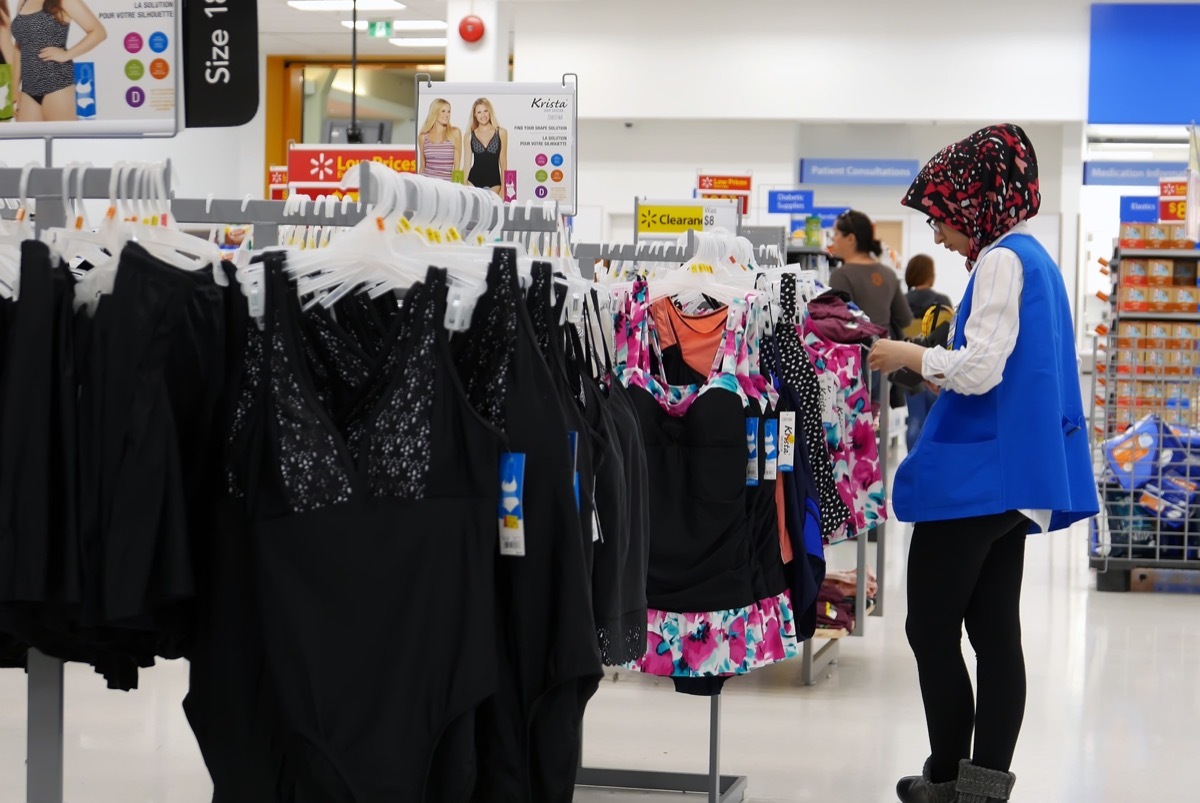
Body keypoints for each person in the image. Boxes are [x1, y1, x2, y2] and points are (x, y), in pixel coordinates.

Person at [867, 124, 1098, 803]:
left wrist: (906, 354)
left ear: (975, 202)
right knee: (995, 630)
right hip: (1016, 478)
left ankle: (945, 774)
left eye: (940, 216)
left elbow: (980, 369)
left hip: (976, 479)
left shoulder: (1000, 261)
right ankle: (982, 786)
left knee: (929, 626)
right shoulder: (1040, 260)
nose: (937, 233)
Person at [829, 209, 912, 406]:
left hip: (852, 364)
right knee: (875, 424)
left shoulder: (842, 275)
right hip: (884, 360)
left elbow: (837, 322)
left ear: (850, 238)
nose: (833, 240)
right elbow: (905, 318)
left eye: (836, 235)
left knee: (854, 426)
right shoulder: (888, 274)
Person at [12, 0, 106, 123]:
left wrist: (66, 54)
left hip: (57, 84)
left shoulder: (64, 1)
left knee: (63, 141)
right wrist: (14, 89)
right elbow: (19, 47)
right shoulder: (23, 2)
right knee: (27, 141)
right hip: (28, 89)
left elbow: (98, 32)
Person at [901, 254, 953, 451]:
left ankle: (912, 462)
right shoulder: (942, 301)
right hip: (935, 367)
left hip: (908, 368)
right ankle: (931, 460)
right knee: (936, 419)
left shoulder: (903, 301)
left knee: (914, 419)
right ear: (930, 276)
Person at [464, 98, 507, 196]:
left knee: (492, 210)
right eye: (479, 112)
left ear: (490, 112)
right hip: (472, 182)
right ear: (475, 114)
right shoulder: (469, 136)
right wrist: (462, 187)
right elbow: (466, 165)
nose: (483, 115)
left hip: (494, 183)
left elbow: (503, 163)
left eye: (485, 111)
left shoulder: (501, 133)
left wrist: (503, 190)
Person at [418, 98, 462, 182]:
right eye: (443, 111)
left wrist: (459, 189)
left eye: (449, 111)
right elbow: (422, 166)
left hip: (447, 187)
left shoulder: (455, 133)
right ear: (435, 112)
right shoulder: (423, 136)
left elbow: (457, 166)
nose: (447, 114)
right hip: (427, 184)